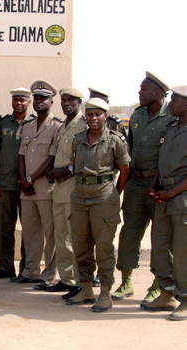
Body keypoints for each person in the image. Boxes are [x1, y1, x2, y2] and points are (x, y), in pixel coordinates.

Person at [112, 72, 176, 303]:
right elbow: (129, 149)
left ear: (157, 92)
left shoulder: (172, 115)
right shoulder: (138, 116)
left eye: (143, 89)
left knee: (161, 237)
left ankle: (159, 285)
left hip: (160, 185)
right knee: (130, 232)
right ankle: (126, 282)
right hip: (136, 183)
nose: (139, 93)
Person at [66, 98, 130, 312]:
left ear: (105, 116)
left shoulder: (115, 140)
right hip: (79, 195)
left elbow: (125, 170)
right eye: (90, 114)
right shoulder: (78, 140)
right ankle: (85, 288)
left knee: (104, 246)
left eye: (98, 114)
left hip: (103, 195)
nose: (94, 118)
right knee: (81, 244)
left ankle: (105, 292)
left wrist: (114, 193)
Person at [143, 85, 187, 321]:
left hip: (181, 198)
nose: (171, 104)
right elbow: (162, 160)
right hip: (163, 194)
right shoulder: (171, 128)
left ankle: (186, 299)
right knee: (160, 248)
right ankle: (167, 292)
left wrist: (172, 193)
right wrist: (155, 184)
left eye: (176, 100)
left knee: (182, 251)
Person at [14, 80, 62, 289]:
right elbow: (21, 156)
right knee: (30, 233)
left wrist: (31, 180)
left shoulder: (57, 127)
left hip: (45, 190)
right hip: (27, 191)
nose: (39, 101)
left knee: (50, 235)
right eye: (37, 98)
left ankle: (49, 274)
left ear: (52, 101)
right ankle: (30, 271)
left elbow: (51, 159)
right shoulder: (28, 126)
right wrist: (24, 181)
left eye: (44, 98)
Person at [45, 87, 87, 299]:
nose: (66, 103)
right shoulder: (63, 126)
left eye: (71, 100)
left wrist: (66, 170)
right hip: (59, 187)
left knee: (75, 235)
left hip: (74, 185)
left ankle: (80, 282)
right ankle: (66, 279)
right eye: (64, 100)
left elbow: (86, 157)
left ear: (80, 102)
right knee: (61, 235)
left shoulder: (84, 124)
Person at [0, 88, 33, 279]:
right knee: (5, 228)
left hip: (28, 187)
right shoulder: (3, 125)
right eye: (16, 100)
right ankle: (6, 267)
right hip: (5, 185)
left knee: (29, 229)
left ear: (28, 103)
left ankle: (26, 269)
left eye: (22, 100)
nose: (19, 103)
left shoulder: (34, 124)